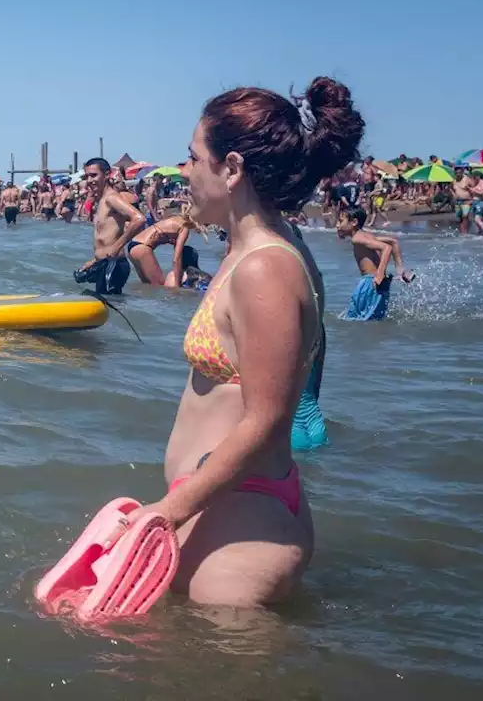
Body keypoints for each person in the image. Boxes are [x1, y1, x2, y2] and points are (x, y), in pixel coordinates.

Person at [120, 76, 365, 607]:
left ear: (231, 168)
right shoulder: (253, 252)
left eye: (192, 158)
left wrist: (165, 512)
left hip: (242, 529)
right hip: (224, 508)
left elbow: (267, 419)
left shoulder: (265, 268)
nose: (183, 172)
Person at [73, 157, 145, 295]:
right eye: (87, 176)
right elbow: (106, 237)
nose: (89, 180)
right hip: (105, 263)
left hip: (114, 263)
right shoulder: (101, 200)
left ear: (107, 175)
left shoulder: (112, 198)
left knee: (111, 306)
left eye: (93, 175)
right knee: (108, 304)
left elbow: (139, 219)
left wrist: (117, 246)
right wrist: (93, 261)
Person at [337, 207, 415, 321]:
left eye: (340, 221)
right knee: (374, 319)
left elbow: (386, 248)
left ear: (353, 222)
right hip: (380, 283)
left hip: (370, 283)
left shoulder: (357, 239)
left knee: (354, 319)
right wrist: (400, 269)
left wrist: (380, 274)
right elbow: (393, 242)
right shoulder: (366, 235)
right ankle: (403, 272)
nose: (337, 225)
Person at [127, 211, 202, 286]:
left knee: (147, 285)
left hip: (133, 245)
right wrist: (177, 285)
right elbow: (176, 259)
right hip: (142, 248)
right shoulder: (184, 229)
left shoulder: (175, 219)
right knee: (159, 285)